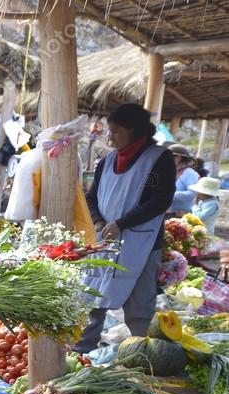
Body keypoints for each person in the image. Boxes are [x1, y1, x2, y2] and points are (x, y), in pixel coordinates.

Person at [74, 103, 176, 353]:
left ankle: (139, 355)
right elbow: (91, 197)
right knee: (94, 295)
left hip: (143, 242)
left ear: (135, 130)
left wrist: (122, 223)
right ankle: (82, 351)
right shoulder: (107, 161)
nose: (109, 137)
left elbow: (160, 200)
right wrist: (98, 221)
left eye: (116, 131)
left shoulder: (158, 159)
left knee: (139, 304)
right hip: (105, 237)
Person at [169, 143, 199, 216]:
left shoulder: (189, 173)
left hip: (181, 214)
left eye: (170, 157)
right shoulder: (173, 171)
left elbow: (193, 193)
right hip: (169, 212)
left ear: (178, 158)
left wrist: (170, 195)